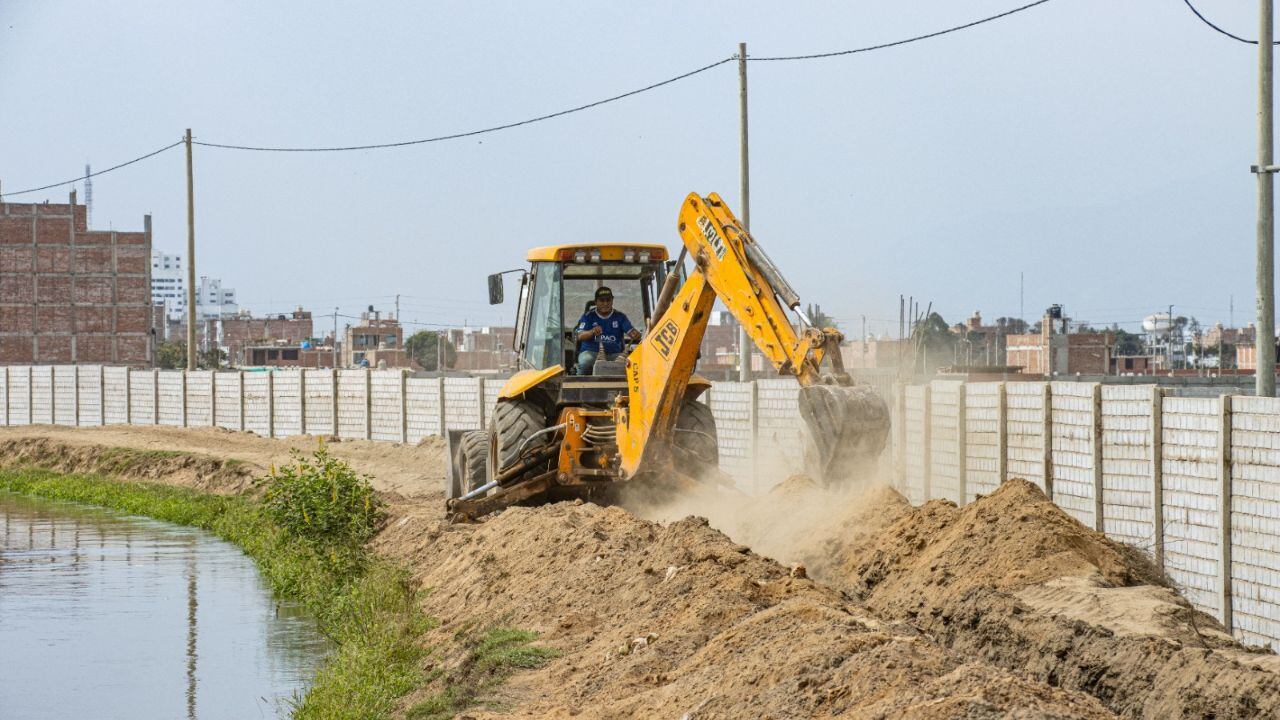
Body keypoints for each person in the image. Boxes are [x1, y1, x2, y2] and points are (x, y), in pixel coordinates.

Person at [575, 286, 641, 374]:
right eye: (602, 300)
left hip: (615, 355)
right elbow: (580, 336)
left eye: (608, 300)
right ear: (596, 302)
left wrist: (636, 335)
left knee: (632, 366)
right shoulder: (588, 316)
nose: (605, 303)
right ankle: (580, 386)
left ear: (612, 301)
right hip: (592, 353)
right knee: (586, 361)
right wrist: (592, 331)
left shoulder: (620, 317)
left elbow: (632, 332)